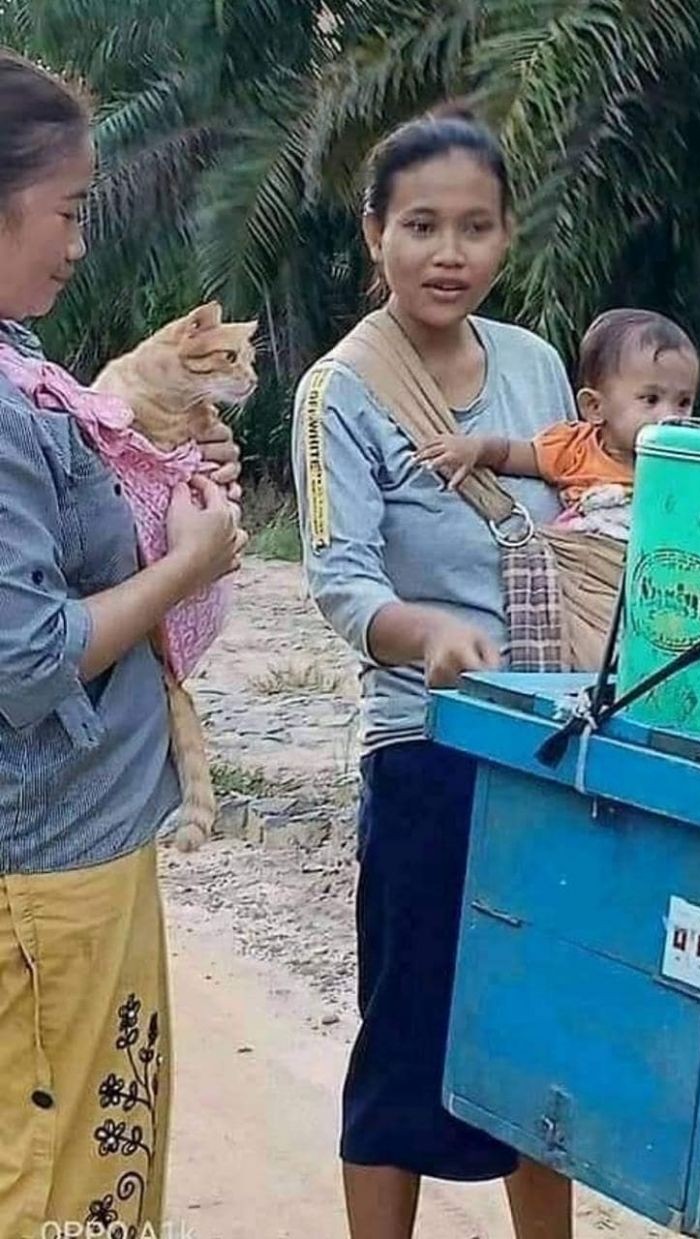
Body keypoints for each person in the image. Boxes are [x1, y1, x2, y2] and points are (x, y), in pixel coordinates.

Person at [292, 108, 577, 1238]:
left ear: (506, 240)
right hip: (431, 747)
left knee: (542, 1035)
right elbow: (338, 581)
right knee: (410, 1028)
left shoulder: (539, 365)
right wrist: (430, 638)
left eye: (473, 227)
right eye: (420, 225)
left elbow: (582, 518)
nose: (446, 252)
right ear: (375, 235)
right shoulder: (339, 391)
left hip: (553, 741)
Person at [0, 52, 246, 1237]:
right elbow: (27, 658)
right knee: (60, 1190)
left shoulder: (27, 371)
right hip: (45, 869)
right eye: (71, 209)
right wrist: (188, 565)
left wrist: (170, 499)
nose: (82, 241)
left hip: (75, 849)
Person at [416, 308, 700, 541]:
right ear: (594, 407)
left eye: (683, 402)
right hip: (587, 565)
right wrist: (475, 449)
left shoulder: (688, 465)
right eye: (651, 399)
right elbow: (510, 454)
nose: (670, 417)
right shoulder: (574, 449)